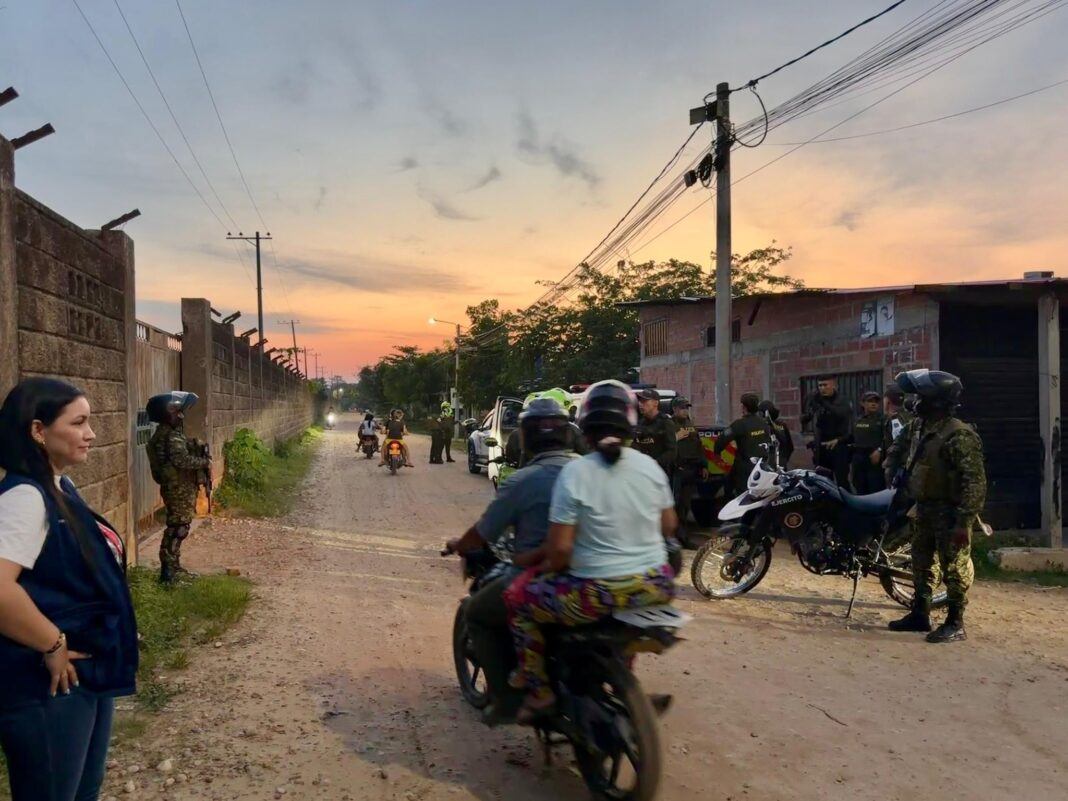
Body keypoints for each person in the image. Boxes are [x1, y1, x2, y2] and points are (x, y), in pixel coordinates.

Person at [504, 381, 677, 723]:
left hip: (596, 593)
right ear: (630, 424)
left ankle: (539, 690)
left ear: (583, 426)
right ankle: (624, 686)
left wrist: (533, 565)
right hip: (657, 586)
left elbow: (560, 551)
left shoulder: (576, 473)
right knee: (621, 621)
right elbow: (669, 526)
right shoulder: (649, 466)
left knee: (516, 599)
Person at [0, 377, 139, 801]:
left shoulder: (60, 487)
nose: (91, 434)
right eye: (78, 423)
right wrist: (52, 642)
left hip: (82, 676)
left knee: (82, 791)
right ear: (38, 431)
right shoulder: (25, 498)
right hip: (45, 683)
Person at [444, 398, 575, 724]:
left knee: (476, 612)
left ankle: (505, 700)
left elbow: (484, 531)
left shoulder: (522, 480)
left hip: (541, 576)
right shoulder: (591, 471)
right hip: (597, 576)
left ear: (525, 437)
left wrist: (460, 544)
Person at [884, 369, 986, 643]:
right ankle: (920, 613)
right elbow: (898, 446)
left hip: (950, 512)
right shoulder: (919, 426)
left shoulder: (959, 435)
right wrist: (892, 468)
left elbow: (974, 482)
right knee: (922, 561)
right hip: (924, 507)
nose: (915, 402)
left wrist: (963, 522)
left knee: (954, 568)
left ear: (937, 401)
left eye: (921, 397)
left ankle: (955, 622)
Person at [146, 391, 211, 585]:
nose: (181, 417)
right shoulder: (170, 436)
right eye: (177, 413)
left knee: (179, 526)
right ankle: (168, 574)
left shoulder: (166, 434)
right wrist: (204, 462)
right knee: (178, 528)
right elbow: (181, 460)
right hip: (178, 488)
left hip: (178, 486)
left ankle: (173, 566)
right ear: (167, 414)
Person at [715, 393, 773, 498]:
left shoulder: (740, 424)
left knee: (740, 494)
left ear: (744, 407)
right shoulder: (764, 423)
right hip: (762, 466)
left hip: (744, 467)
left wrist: (717, 452)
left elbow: (722, 439)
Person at [801, 375, 853, 488]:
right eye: (820, 385)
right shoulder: (817, 399)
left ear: (833, 385)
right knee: (823, 482)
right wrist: (810, 407)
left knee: (842, 482)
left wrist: (822, 402)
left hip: (838, 445)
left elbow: (840, 414)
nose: (822, 388)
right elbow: (804, 419)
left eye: (825, 385)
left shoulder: (842, 400)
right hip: (822, 447)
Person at [669, 397, 707, 546]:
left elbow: (699, 445)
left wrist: (704, 465)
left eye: (686, 408)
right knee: (674, 504)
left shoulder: (690, 425)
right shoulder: (669, 425)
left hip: (690, 470)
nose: (685, 411)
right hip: (676, 470)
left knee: (685, 505)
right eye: (682, 408)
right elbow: (663, 445)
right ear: (674, 409)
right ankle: (673, 537)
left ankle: (682, 537)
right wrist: (675, 437)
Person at [631, 388, 676, 475]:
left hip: (660, 473)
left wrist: (654, 463)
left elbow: (672, 451)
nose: (640, 404)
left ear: (656, 403)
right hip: (641, 472)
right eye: (640, 401)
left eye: (644, 401)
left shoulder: (665, 422)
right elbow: (635, 445)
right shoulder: (639, 423)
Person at [849, 391, 887, 494]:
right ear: (862, 403)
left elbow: (888, 439)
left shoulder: (883, 420)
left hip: (874, 460)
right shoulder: (857, 420)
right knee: (859, 487)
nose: (873, 404)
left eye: (876, 402)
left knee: (875, 489)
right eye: (870, 401)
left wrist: (879, 450)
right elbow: (850, 437)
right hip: (859, 458)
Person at [878, 385, 913, 463]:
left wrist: (888, 463)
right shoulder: (909, 416)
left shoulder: (895, 419)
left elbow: (898, 445)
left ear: (887, 402)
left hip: (900, 464)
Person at [758, 400, 794, 467]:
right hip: (779, 463)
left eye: (760, 413)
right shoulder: (781, 425)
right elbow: (790, 447)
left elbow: (790, 446)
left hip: (772, 464)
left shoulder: (765, 427)